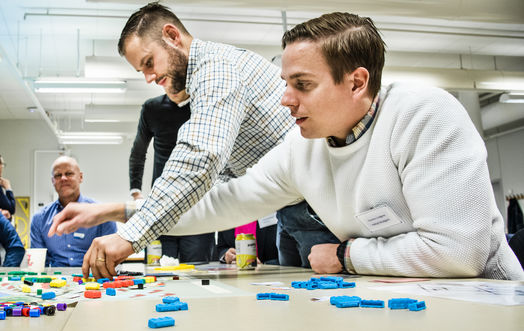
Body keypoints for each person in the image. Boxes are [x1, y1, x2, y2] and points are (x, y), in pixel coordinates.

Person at [162, 12, 524, 279]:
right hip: (393, 301)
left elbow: (458, 254)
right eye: (285, 83)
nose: (285, 100)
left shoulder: (423, 116)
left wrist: (345, 255)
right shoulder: (302, 147)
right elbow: (229, 202)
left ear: (356, 83)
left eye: (301, 84)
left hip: (487, 306)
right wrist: (131, 219)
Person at [48, 2, 297, 278]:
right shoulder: (203, 86)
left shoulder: (217, 69)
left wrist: (129, 237)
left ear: (172, 35)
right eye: (141, 71)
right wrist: (110, 211)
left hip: (311, 208)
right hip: (289, 212)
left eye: (149, 63)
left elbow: (199, 160)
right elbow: (203, 198)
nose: (148, 78)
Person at [129, 89, 213, 263]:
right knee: (158, 273)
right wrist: (136, 192)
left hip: (196, 208)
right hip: (160, 208)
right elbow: (138, 152)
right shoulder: (152, 108)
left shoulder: (203, 106)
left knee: (198, 271)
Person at [31, 156, 117, 267]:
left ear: (80, 177)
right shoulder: (39, 219)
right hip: (55, 281)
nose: (63, 178)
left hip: (93, 280)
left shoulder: (103, 214)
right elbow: (39, 265)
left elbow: (111, 258)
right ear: (53, 181)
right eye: (58, 175)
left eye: (69, 173)